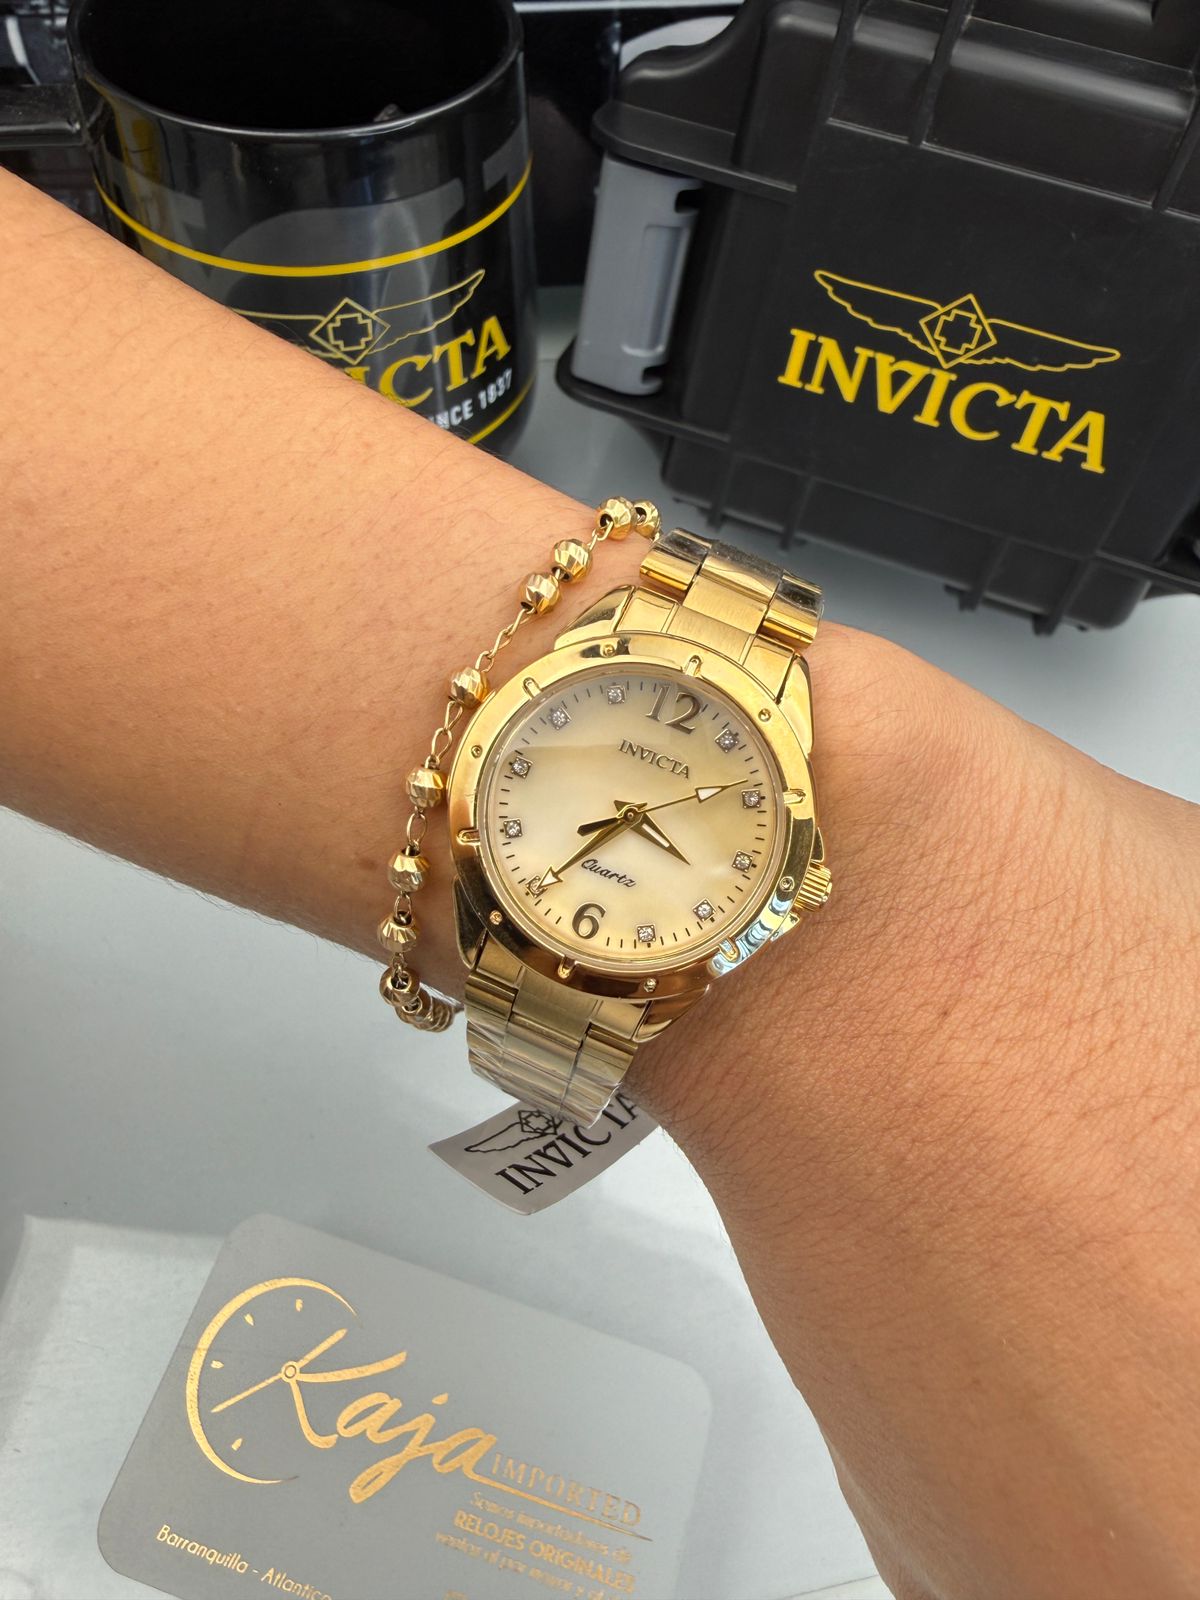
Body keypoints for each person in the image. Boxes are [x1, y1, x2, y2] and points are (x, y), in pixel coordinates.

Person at [1, 165, 1197, 1600]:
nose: (631, 812)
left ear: (790, 877)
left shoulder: (755, 880)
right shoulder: (634, 773)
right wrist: (909, 884)